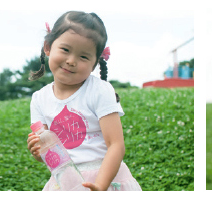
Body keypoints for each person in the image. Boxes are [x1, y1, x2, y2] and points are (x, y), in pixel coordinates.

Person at [25, 11, 141, 191]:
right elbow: (48, 151)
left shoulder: (99, 91)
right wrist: (38, 152)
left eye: (83, 57)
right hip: (65, 184)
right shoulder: (40, 99)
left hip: (105, 178)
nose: (71, 61)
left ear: (95, 63)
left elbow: (116, 144)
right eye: (65, 50)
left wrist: (100, 186)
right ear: (47, 47)